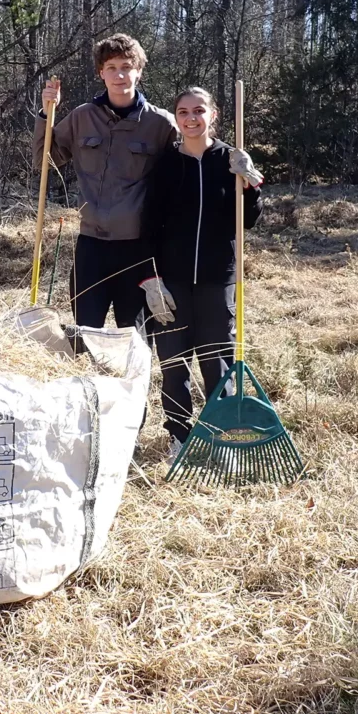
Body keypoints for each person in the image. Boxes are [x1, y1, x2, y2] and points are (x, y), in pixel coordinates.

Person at [140, 87, 264, 463]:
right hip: (172, 281)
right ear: (176, 118)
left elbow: (248, 221)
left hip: (217, 278)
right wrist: (151, 279)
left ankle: (220, 436)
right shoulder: (166, 165)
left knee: (217, 361)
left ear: (213, 115)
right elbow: (149, 225)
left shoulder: (230, 160)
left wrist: (250, 187)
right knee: (173, 363)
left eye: (198, 111)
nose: (191, 118)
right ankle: (179, 436)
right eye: (183, 112)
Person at [35, 34, 176, 328]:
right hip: (91, 246)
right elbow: (45, 161)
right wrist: (46, 114)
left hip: (138, 248)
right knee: (85, 330)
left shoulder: (161, 124)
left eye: (126, 67)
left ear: (139, 71)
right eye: (111, 67)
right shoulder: (82, 118)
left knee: (134, 334)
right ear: (101, 73)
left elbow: (190, 164)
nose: (119, 75)